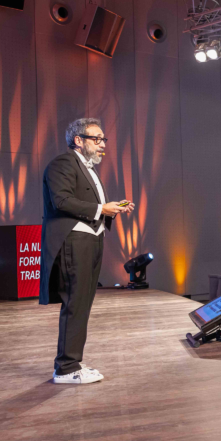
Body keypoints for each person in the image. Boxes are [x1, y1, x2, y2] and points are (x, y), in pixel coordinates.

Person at [41, 118, 134, 384]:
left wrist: (111, 208)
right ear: (78, 140)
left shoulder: (88, 168)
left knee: (82, 304)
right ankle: (66, 368)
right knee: (75, 303)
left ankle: (73, 363)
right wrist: (100, 209)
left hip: (91, 239)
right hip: (74, 240)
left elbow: (89, 204)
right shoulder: (63, 163)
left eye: (104, 139)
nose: (102, 144)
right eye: (96, 138)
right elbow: (61, 200)